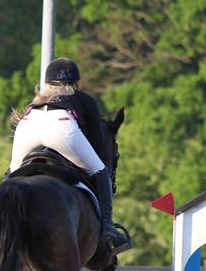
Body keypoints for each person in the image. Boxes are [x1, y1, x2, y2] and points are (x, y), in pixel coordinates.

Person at [7, 57, 127, 250]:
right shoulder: (84, 99)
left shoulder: (36, 101)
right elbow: (98, 146)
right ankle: (107, 226)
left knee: (13, 173)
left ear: (47, 83)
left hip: (28, 125)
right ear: (77, 83)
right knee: (100, 169)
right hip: (61, 125)